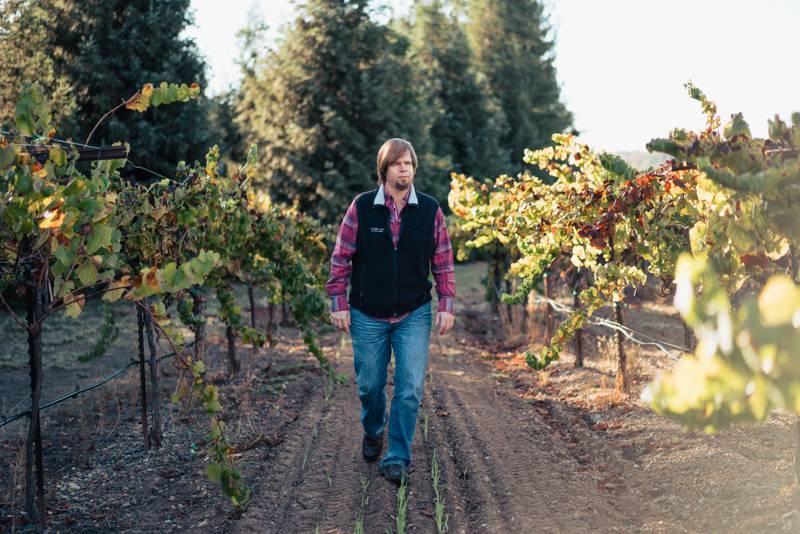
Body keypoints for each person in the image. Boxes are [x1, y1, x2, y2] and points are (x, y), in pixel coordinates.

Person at [326, 138, 456, 484]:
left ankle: (397, 456)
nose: (404, 169)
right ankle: (373, 429)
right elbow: (341, 257)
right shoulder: (362, 206)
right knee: (370, 385)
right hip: (368, 314)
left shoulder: (430, 209)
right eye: (397, 164)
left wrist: (446, 304)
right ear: (384, 169)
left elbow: (442, 261)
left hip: (414, 313)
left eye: (409, 164)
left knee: (410, 387)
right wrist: (338, 301)